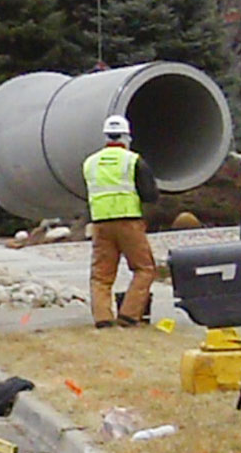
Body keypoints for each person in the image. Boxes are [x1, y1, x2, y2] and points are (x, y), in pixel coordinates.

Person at [82, 114, 159, 328]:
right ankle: (129, 315)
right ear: (127, 137)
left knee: (101, 275)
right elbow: (150, 194)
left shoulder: (90, 163)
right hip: (129, 221)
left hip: (100, 223)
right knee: (144, 269)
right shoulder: (133, 161)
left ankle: (103, 318)